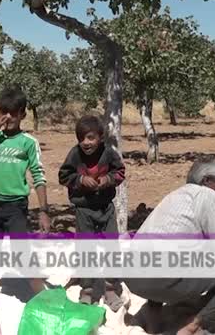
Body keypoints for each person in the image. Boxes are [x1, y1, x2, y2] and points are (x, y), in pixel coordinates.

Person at [126, 157, 215, 335]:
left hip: (133, 278)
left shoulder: (174, 195)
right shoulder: (207, 195)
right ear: (206, 180)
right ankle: (193, 327)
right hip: (162, 279)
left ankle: (153, 324)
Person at [0, 87, 51, 335]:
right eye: (2, 113)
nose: (7, 118)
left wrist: (44, 210)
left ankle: (45, 302)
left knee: (22, 253)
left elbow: (38, 175)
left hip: (16, 206)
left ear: (22, 114)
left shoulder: (28, 142)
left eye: (12, 114)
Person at [58, 115, 127, 311]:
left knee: (111, 247)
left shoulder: (109, 153)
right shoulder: (75, 154)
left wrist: (108, 180)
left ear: (101, 137)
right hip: (84, 209)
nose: (86, 143)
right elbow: (64, 175)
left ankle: (110, 288)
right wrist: (80, 180)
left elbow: (120, 171)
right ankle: (87, 290)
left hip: (105, 207)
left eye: (90, 138)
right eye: (81, 138)